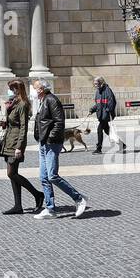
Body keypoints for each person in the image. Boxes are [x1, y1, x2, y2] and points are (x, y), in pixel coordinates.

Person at [31, 78, 88, 220]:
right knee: (44, 178)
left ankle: (79, 199)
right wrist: (40, 138)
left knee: (52, 176)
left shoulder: (52, 100)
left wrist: (50, 138)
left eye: (35, 88)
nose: (33, 91)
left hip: (51, 143)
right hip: (43, 143)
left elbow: (59, 122)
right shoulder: (42, 101)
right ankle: (50, 209)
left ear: (42, 89)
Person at [0, 79, 43, 214]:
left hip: (16, 142)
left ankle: (37, 194)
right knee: (13, 175)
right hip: (8, 140)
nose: (11, 91)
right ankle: (18, 205)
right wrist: (5, 123)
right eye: (11, 89)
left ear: (19, 89)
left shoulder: (23, 104)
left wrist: (19, 146)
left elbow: (23, 127)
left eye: (13, 89)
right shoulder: (14, 103)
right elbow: (13, 121)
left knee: (11, 173)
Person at [90, 77, 127, 154]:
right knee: (108, 131)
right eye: (94, 84)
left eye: (96, 83)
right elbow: (98, 104)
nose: (95, 85)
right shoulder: (98, 92)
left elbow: (112, 102)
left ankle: (99, 148)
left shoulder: (107, 90)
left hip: (106, 115)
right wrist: (92, 109)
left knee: (99, 129)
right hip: (101, 115)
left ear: (101, 82)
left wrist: (108, 111)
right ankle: (122, 144)